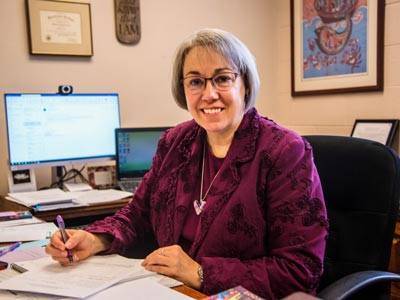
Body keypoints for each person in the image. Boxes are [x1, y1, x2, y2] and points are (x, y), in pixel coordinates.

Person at [46, 28, 328, 299]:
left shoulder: (285, 151)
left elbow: (300, 271)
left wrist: (200, 272)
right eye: (195, 81)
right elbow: (138, 214)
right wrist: (96, 239)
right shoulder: (175, 142)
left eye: (222, 78)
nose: (208, 94)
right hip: (170, 290)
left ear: (245, 84)